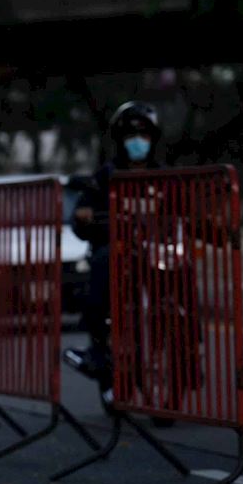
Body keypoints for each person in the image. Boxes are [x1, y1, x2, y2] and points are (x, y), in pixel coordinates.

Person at [62, 101, 161, 404]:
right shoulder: (105, 176)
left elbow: (189, 209)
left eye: (144, 134)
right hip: (116, 254)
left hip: (156, 253)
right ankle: (99, 354)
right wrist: (85, 215)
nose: (137, 141)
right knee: (101, 275)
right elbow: (80, 214)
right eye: (130, 134)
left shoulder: (165, 176)